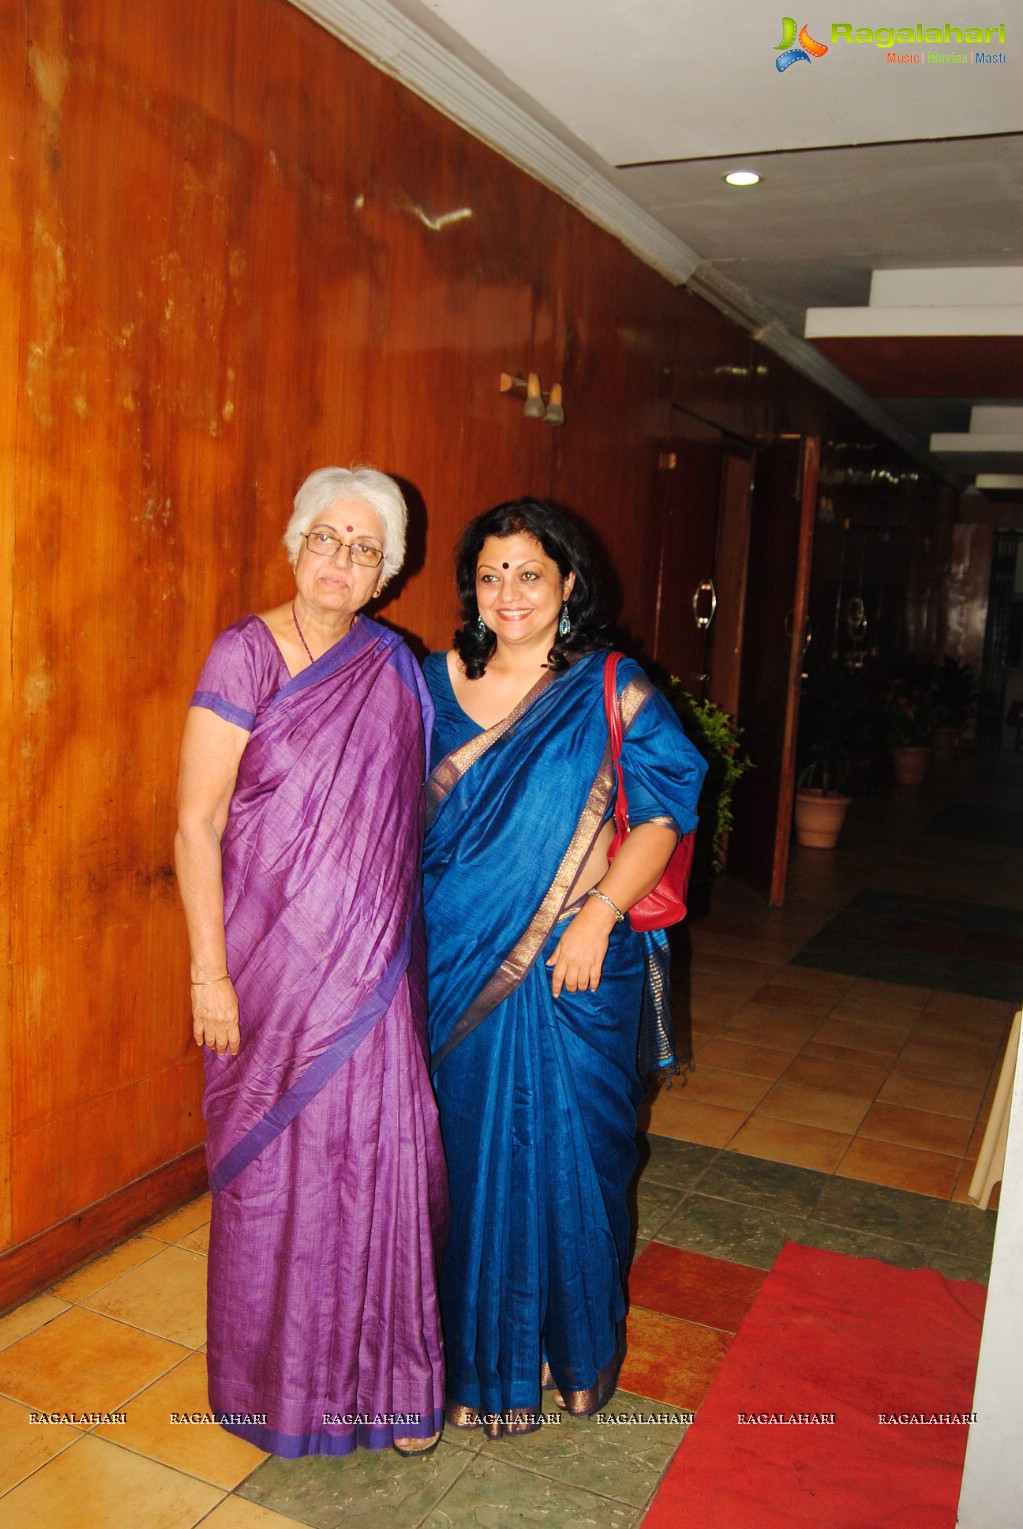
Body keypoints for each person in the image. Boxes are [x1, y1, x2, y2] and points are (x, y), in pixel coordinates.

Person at [174, 466, 447, 1458]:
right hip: (265, 974)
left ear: (386, 574)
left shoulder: (397, 666)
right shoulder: (244, 654)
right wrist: (209, 971)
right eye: (328, 538)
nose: (342, 560)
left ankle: (392, 1382)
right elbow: (197, 822)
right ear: (295, 544)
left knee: (387, 1161)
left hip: (372, 973)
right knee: (276, 1176)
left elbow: (456, 771)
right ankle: (277, 1390)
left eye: (365, 547)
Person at [422, 498, 707, 1437]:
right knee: (467, 1162)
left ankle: (576, 1348)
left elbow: (662, 812)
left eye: (529, 573)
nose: (508, 592)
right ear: (471, 585)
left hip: (580, 963)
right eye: (490, 573)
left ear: (568, 584)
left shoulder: (611, 686)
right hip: (456, 959)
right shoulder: (430, 683)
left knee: (583, 1156)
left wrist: (597, 913)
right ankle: (479, 1359)